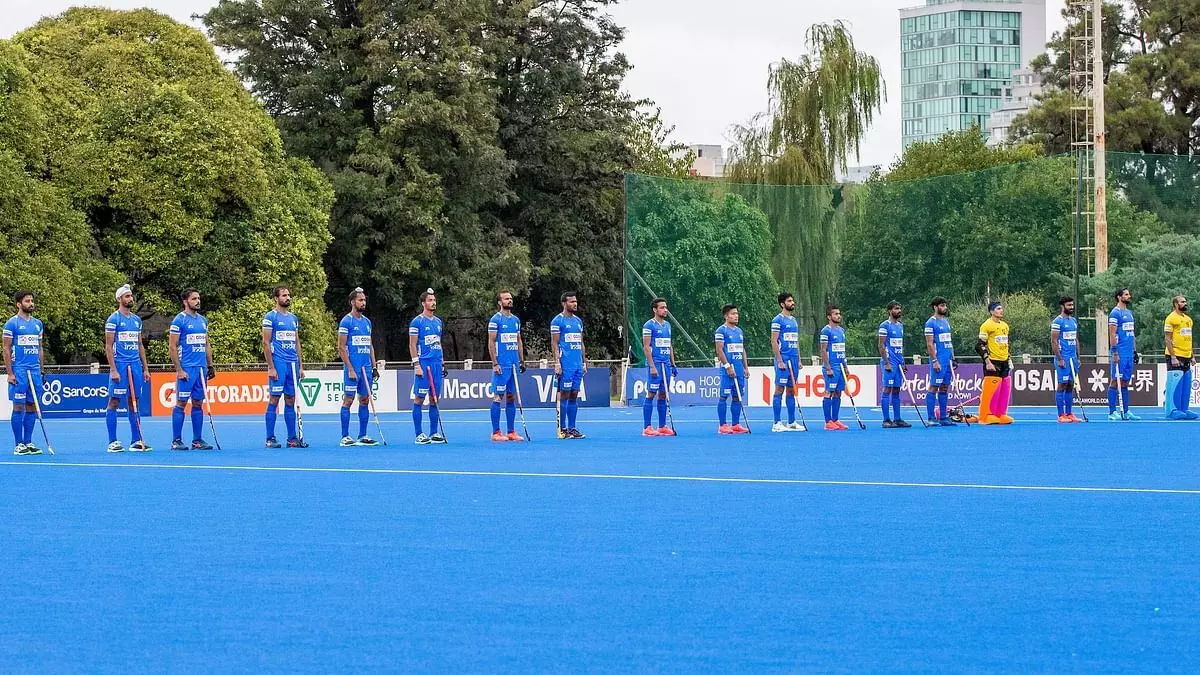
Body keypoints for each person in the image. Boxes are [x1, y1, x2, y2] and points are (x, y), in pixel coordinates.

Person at [105, 285, 151, 452]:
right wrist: (113, 369)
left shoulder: (137, 320)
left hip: (135, 365)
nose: (130, 299)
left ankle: (136, 440)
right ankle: (113, 442)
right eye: (127, 296)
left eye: (131, 296)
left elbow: (140, 345)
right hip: (120, 364)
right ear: (119, 299)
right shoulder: (113, 319)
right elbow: (108, 346)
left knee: (134, 401)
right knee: (114, 401)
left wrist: (146, 369)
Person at [168, 289, 215, 450]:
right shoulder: (179, 320)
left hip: (201, 369)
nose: (198, 301)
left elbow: (206, 344)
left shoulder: (203, 321)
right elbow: (172, 347)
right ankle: (176, 441)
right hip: (187, 369)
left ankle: (197, 440)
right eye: (194, 298)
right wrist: (179, 370)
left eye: (198, 298)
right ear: (185, 302)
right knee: (181, 403)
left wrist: (210, 365)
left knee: (197, 403)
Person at [262, 285, 308, 448]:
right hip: (279, 363)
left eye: (288, 295)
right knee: (274, 399)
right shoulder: (270, 317)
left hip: (292, 364)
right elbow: (266, 343)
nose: (288, 298)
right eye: (284, 295)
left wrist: (301, 366)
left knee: (290, 399)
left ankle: (291, 438)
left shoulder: (293, 318)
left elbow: (297, 342)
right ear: (276, 298)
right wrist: (271, 367)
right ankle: (270, 438)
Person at [3, 291, 45, 455]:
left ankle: (28, 442)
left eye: (32, 300)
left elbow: (40, 348)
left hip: (34, 371)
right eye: (27, 301)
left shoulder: (38, 324)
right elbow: (6, 349)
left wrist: (41, 370)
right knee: (18, 406)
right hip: (19, 370)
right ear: (19, 304)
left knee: (31, 405)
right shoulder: (11, 324)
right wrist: (10, 373)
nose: (31, 303)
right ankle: (18, 444)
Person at [338, 287, 381, 446]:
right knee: (348, 400)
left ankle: (363, 435)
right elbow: (341, 347)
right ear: (352, 302)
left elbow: (370, 345)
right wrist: (350, 368)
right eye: (360, 300)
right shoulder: (346, 321)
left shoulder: (367, 322)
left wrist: (374, 367)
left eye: (364, 300)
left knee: (364, 400)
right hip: (353, 368)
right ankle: (345, 437)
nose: (363, 303)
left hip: (366, 368)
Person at [488, 290, 526, 441]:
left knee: (511, 397)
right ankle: (496, 432)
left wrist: (521, 360)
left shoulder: (516, 320)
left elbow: (518, 340)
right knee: (498, 396)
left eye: (510, 298)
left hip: (513, 364)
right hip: (502, 364)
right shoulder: (495, 319)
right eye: (506, 299)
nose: (509, 301)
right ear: (500, 302)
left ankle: (511, 431)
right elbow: (491, 342)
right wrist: (495, 363)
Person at [409, 288, 446, 444]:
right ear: (423, 303)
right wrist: (416, 364)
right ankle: (419, 434)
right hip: (424, 364)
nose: (433, 303)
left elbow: (438, 343)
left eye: (434, 300)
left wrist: (442, 363)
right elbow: (412, 344)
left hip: (436, 364)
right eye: (430, 300)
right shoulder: (417, 321)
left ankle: (434, 432)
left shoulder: (438, 322)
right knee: (419, 398)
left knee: (434, 399)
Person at [550, 291, 587, 439]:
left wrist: (584, 361)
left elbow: (581, 343)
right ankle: (562, 429)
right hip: (566, 364)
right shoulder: (557, 321)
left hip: (577, 364)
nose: (575, 304)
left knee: (574, 394)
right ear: (564, 303)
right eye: (572, 302)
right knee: (564, 394)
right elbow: (555, 343)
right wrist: (557, 362)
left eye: (575, 301)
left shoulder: (578, 321)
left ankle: (572, 428)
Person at [641, 298, 677, 436]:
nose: (665, 310)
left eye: (666, 307)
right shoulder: (649, 325)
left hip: (666, 365)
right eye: (662, 307)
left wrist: (673, 364)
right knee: (651, 393)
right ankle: (647, 427)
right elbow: (646, 347)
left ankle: (662, 426)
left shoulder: (667, 325)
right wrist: (652, 366)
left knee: (663, 394)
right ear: (655, 310)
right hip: (655, 363)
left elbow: (669, 345)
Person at [975, 301, 1013, 425]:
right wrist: (987, 362)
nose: (1001, 311)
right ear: (992, 311)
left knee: (1004, 388)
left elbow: (1005, 344)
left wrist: (1009, 358)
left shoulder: (1005, 326)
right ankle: (986, 415)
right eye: (998, 309)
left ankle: (1000, 413)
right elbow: (979, 345)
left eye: (1001, 308)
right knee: (991, 389)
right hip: (993, 361)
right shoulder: (987, 325)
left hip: (1004, 361)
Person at [770, 293, 804, 432]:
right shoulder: (778, 320)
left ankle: (791, 422)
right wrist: (779, 360)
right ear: (782, 304)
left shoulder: (794, 320)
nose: (792, 302)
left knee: (791, 389)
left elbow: (796, 341)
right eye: (789, 301)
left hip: (794, 359)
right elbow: (774, 341)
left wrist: (799, 359)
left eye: (792, 300)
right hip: (783, 358)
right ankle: (777, 423)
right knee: (779, 389)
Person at [714, 304, 749, 434]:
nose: (736, 316)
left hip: (739, 369)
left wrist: (745, 367)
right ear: (726, 316)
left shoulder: (739, 331)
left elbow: (742, 349)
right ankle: (722, 425)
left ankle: (735, 424)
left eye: (737, 314)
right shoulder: (721, 330)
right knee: (724, 396)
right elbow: (719, 350)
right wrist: (727, 366)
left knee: (737, 396)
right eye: (733, 314)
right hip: (728, 369)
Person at [1107, 288, 1139, 421]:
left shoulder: (1129, 313)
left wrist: (1134, 351)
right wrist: (1115, 352)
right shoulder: (1115, 313)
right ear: (1119, 297)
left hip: (1129, 353)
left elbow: (1132, 334)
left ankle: (1126, 411)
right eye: (1126, 294)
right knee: (1115, 381)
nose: (1129, 296)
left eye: (1128, 294)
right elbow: (1112, 334)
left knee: (1125, 381)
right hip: (1119, 352)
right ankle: (1112, 412)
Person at [923, 297, 956, 426]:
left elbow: (949, 342)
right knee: (934, 387)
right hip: (938, 360)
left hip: (947, 360)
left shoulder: (946, 322)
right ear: (935, 307)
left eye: (945, 305)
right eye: (942, 305)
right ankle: (931, 418)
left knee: (944, 387)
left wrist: (953, 358)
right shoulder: (930, 323)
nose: (945, 308)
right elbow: (930, 344)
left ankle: (943, 417)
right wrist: (935, 361)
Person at [1163, 295, 1196, 420]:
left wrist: (1192, 355)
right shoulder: (1171, 318)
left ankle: (1183, 409)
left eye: (1185, 301)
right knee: (1175, 383)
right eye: (1182, 302)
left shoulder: (1188, 319)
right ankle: (1172, 410)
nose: (1185, 303)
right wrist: (1173, 356)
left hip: (1186, 355)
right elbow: (1168, 339)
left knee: (1185, 384)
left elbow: (1189, 339)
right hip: (1176, 355)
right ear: (1176, 304)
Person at [1050, 296, 1082, 423]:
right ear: (1062, 306)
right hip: (1063, 358)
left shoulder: (1073, 321)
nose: (1071, 307)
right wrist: (1060, 359)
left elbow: (1075, 340)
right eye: (1069, 305)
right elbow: (1054, 341)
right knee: (1062, 384)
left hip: (1073, 359)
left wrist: (1078, 357)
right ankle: (1061, 415)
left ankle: (1069, 413)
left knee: (1070, 385)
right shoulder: (1057, 321)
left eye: (1072, 305)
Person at [878, 301, 909, 428]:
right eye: (896, 308)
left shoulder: (900, 326)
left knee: (897, 390)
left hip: (898, 362)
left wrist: (903, 362)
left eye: (900, 308)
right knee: (887, 389)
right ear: (890, 311)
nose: (899, 310)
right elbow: (881, 345)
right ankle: (886, 420)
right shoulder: (885, 325)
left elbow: (900, 346)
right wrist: (886, 363)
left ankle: (897, 419)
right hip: (889, 362)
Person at [819, 305, 848, 431]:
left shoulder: (841, 331)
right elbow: (823, 350)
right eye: (835, 314)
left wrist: (845, 366)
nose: (838, 316)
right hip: (831, 366)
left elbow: (842, 350)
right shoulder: (826, 331)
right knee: (829, 392)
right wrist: (828, 368)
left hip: (840, 366)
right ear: (829, 317)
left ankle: (835, 420)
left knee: (838, 392)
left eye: (839, 313)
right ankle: (828, 422)